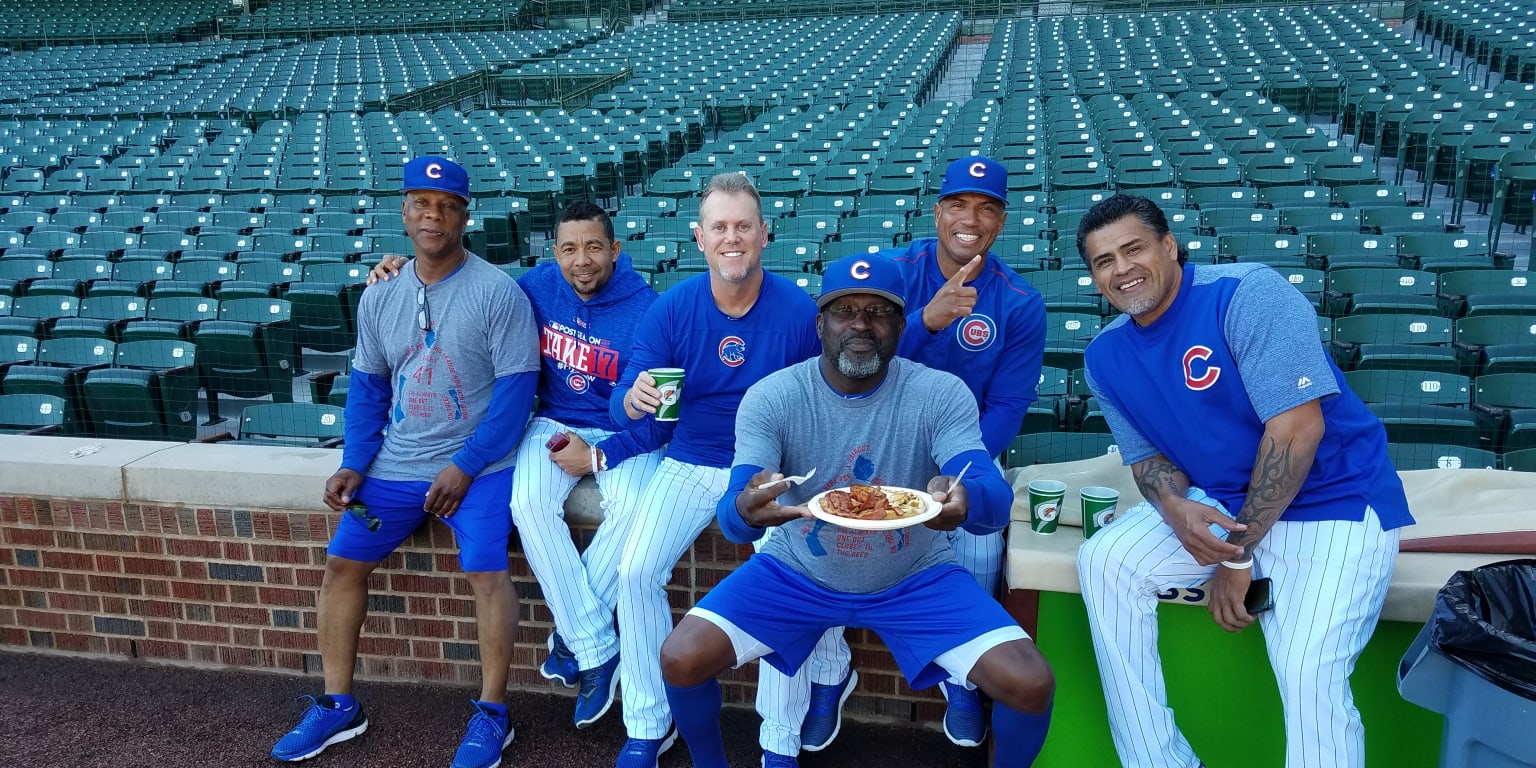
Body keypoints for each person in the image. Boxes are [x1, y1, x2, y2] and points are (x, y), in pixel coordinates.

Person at [658, 254, 1055, 768]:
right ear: (820, 323)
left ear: (901, 325)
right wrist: (747, 507)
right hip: (797, 570)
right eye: (845, 310)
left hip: (915, 573)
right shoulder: (773, 396)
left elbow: (988, 494)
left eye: (879, 311)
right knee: (681, 657)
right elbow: (735, 514)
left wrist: (966, 499)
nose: (861, 324)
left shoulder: (938, 392)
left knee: (1030, 682)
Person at [1072, 193, 1413, 768]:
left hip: (1336, 502)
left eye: (1134, 249)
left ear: (1170, 247)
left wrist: (1234, 558)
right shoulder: (1104, 356)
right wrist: (1174, 507)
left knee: (1308, 674)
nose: (1122, 269)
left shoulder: (1246, 293)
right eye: (1104, 261)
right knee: (1105, 561)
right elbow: (1148, 461)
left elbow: (1298, 429)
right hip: (1230, 503)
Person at [756, 154, 1048, 758]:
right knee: (817, 530)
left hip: (951, 459)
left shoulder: (1019, 301)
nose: (971, 218)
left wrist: (959, 472)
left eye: (987, 207)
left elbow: (1009, 405)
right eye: (959, 205)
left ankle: (961, 680)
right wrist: (926, 321)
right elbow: (848, 348)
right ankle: (828, 673)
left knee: (979, 542)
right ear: (938, 210)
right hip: (862, 447)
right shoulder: (893, 272)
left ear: (1001, 219)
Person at [271, 156, 540, 768]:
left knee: (486, 575)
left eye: (447, 204)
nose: (433, 215)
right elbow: (367, 388)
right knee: (341, 565)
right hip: (395, 464)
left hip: (480, 468)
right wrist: (354, 463)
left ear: (465, 214)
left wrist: (466, 465)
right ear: (404, 210)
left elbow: (516, 393)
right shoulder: (381, 293)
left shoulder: (496, 292)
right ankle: (340, 707)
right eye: (422, 202)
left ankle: (493, 714)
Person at [366, 200, 666, 731]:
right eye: (569, 248)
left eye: (594, 247)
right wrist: (399, 264)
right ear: (554, 252)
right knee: (527, 501)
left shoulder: (650, 307)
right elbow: (458, 275)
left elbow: (659, 415)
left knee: (636, 510)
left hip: (624, 433)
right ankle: (596, 645)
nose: (582, 260)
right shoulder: (533, 287)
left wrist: (600, 454)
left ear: (615, 250)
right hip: (553, 421)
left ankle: (577, 636)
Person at [606, 171, 821, 768]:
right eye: (720, 227)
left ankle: (780, 737)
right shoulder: (673, 308)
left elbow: (823, 402)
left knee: (786, 585)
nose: (733, 238)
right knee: (634, 572)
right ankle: (649, 722)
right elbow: (630, 387)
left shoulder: (799, 310)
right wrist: (632, 397)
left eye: (743, 226)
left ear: (764, 234)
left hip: (770, 468)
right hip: (691, 458)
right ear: (699, 238)